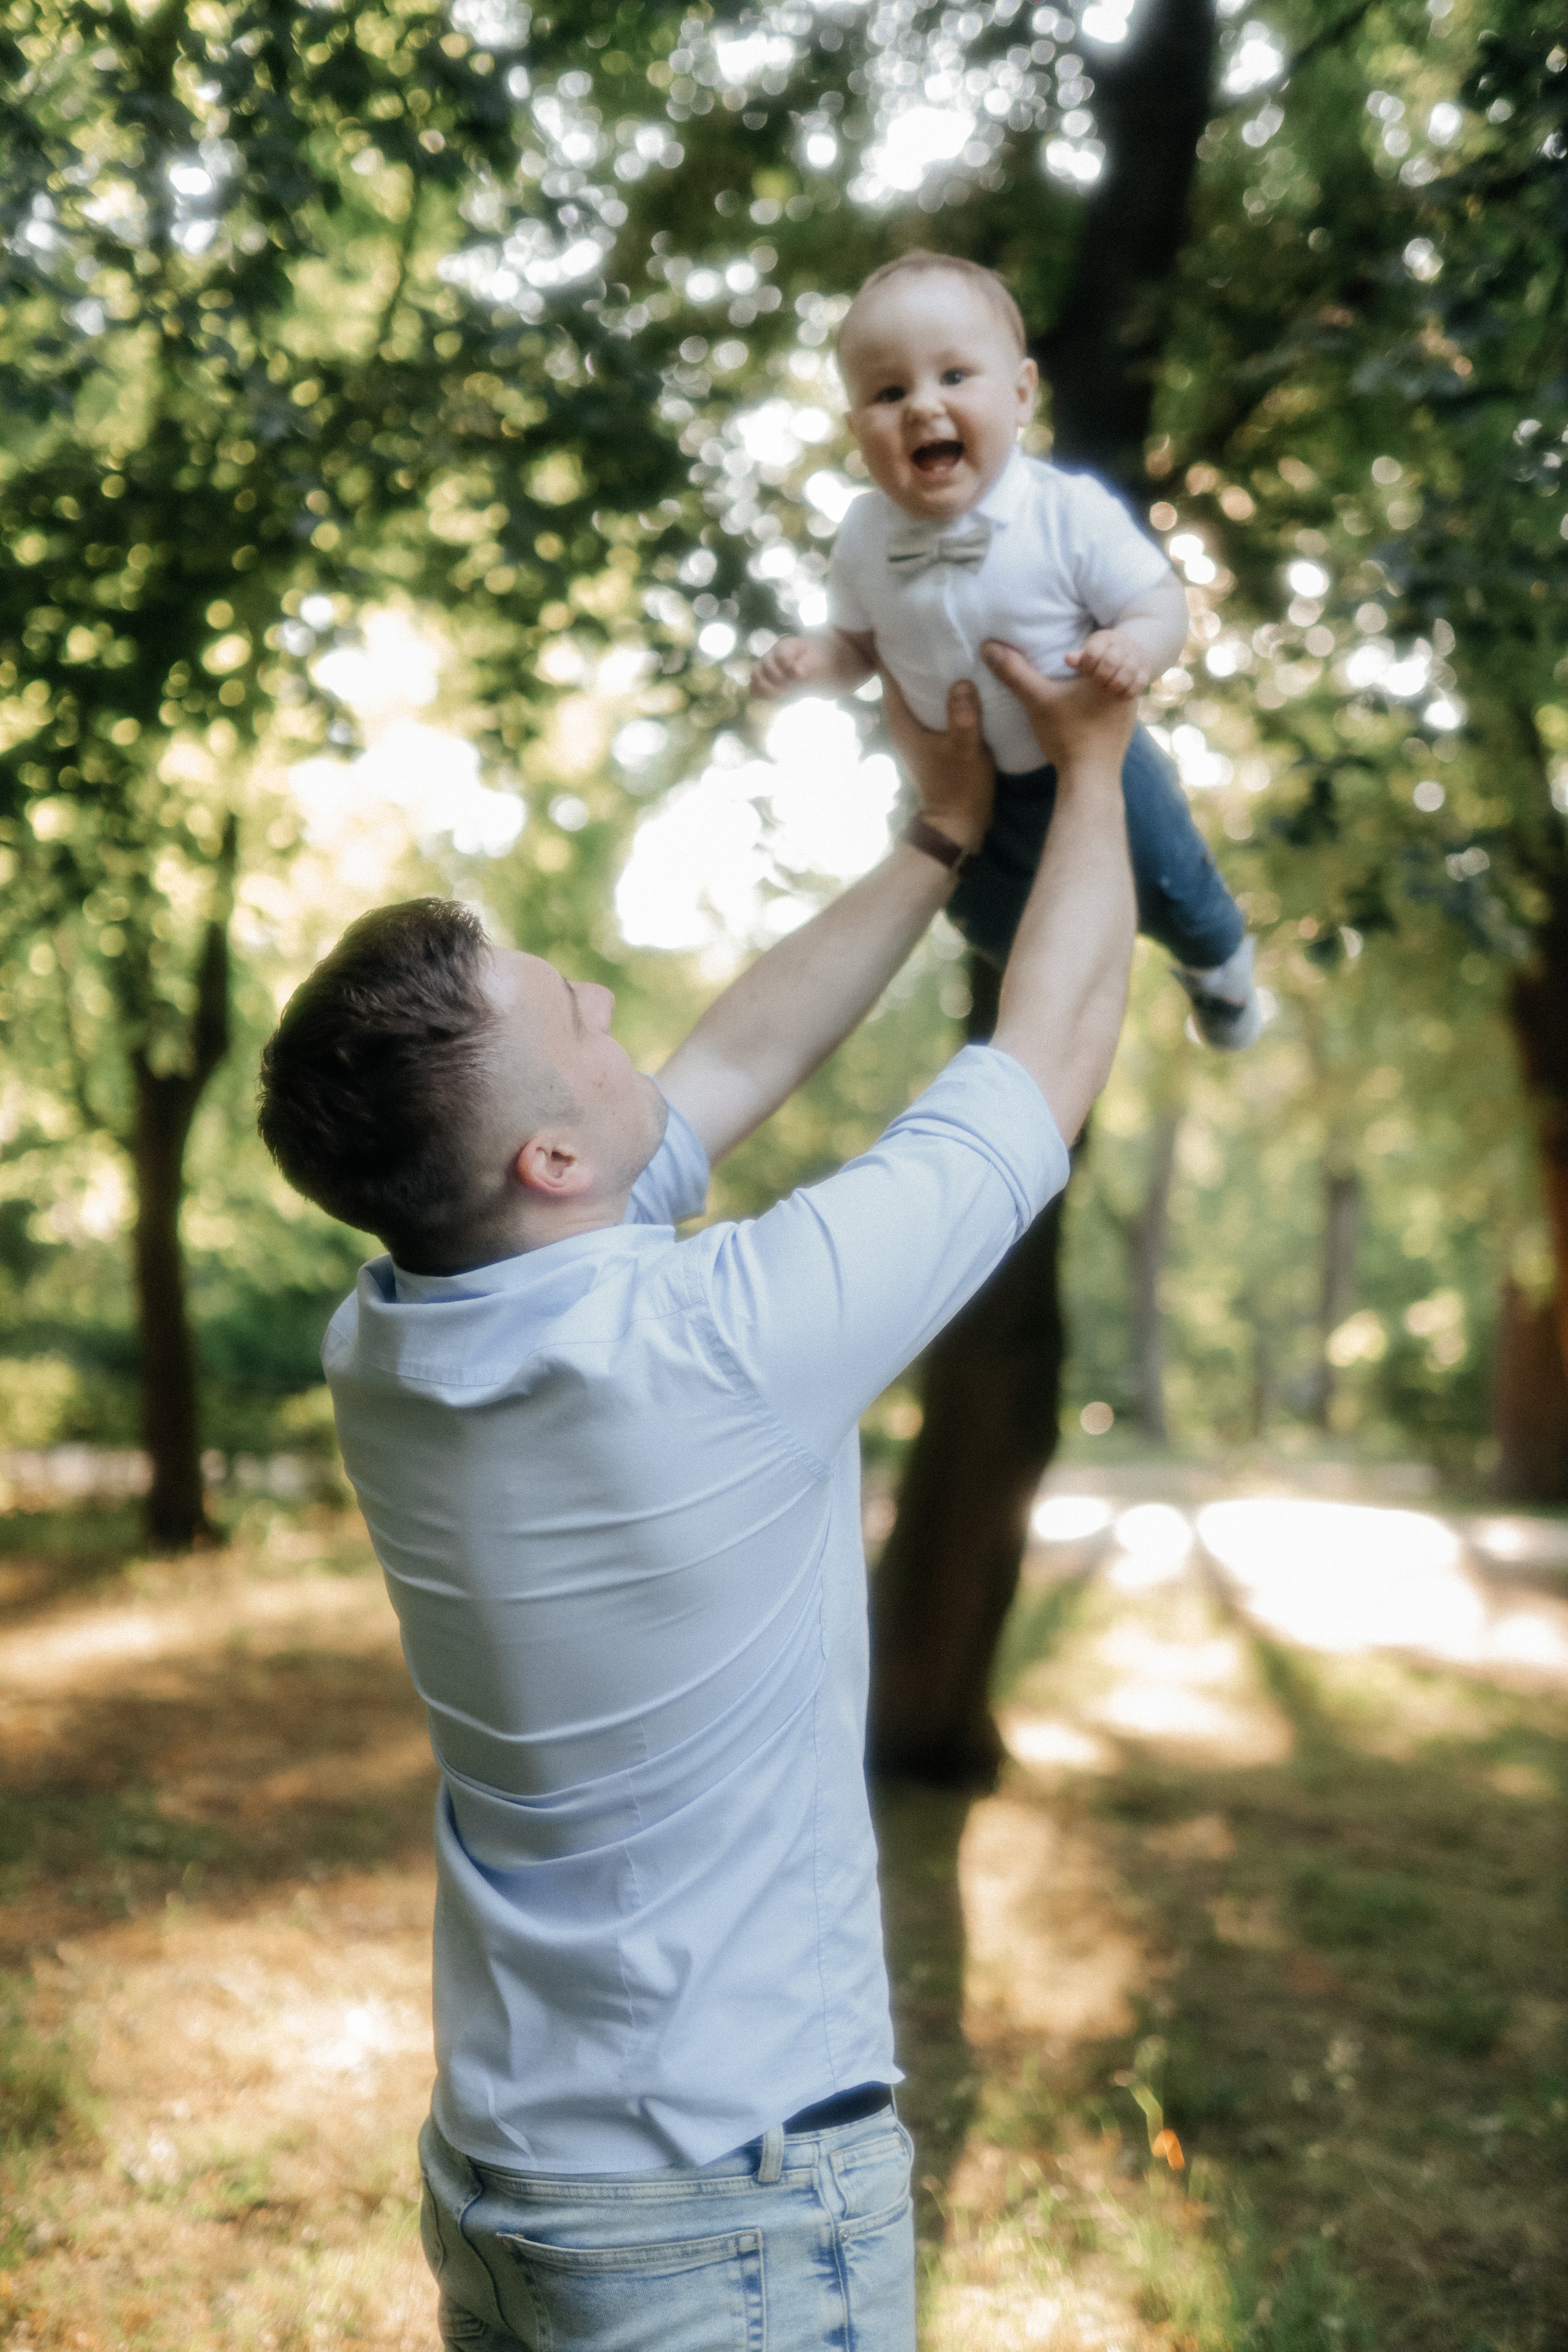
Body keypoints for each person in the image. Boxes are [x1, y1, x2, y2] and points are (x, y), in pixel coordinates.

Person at [255, 647, 1138, 2352]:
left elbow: (728, 1060)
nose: (606, 1009)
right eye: (574, 1013)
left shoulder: (388, 1338)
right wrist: (1093, 768)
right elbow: (1055, 1048)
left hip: (514, 2185)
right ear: (552, 1166)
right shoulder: (719, 1344)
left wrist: (935, 842)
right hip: (723, 2221)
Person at [751, 249, 1262, 1051]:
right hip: (968, 785)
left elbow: (1158, 600)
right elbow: (857, 646)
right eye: (889, 393)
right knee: (988, 917)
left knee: (1173, 880)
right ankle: (1062, 1017)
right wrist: (815, 663)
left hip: (1092, 755)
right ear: (858, 433)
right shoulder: (863, 539)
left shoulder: (1068, 513)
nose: (923, 407)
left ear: (1022, 394)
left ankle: (1221, 971)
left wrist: (1134, 646)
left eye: (955, 377)